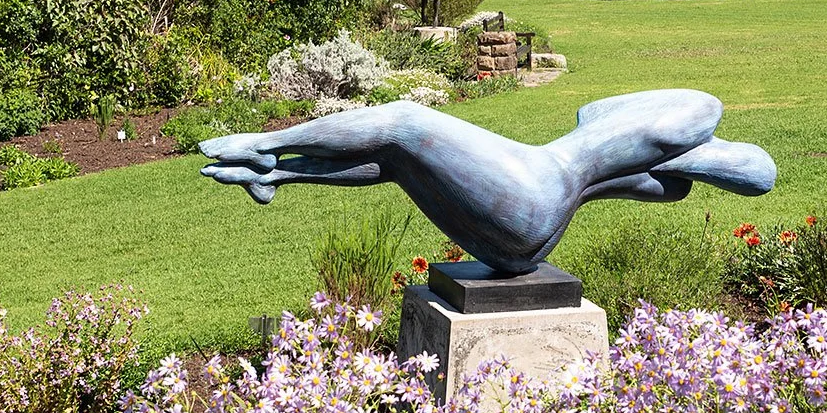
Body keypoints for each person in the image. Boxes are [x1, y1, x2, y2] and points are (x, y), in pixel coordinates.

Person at [199, 89, 775, 274]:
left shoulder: (691, 115)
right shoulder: (624, 135)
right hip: (528, 235)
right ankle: (280, 171)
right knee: (399, 159)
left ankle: (263, 143)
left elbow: (760, 174)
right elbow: (663, 185)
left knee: (405, 122)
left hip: (533, 195)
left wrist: (696, 156)